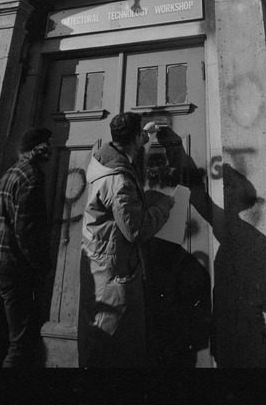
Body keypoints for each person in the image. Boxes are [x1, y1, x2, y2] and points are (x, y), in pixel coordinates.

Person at [77, 112, 175, 368]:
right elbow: (136, 230)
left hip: (99, 261)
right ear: (132, 137)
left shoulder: (104, 158)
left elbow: (129, 145)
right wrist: (164, 205)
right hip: (113, 268)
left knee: (99, 333)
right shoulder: (119, 181)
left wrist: (147, 134)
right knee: (113, 342)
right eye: (139, 134)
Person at [0, 126, 52, 367]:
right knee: (19, 345)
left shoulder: (7, 175)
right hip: (13, 268)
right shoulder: (31, 176)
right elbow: (26, 230)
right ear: (39, 149)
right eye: (48, 144)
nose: (51, 149)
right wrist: (41, 266)